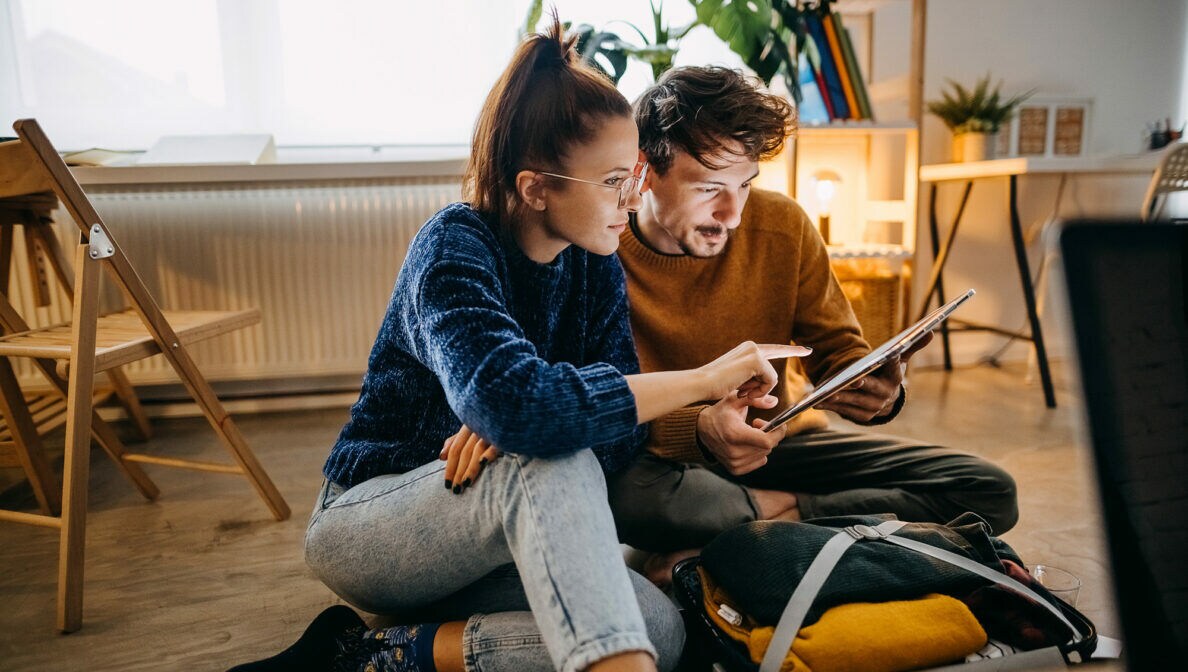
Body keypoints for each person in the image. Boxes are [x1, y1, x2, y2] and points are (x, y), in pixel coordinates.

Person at [238, 23, 808, 672]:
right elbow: (520, 409)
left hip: (497, 528)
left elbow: (615, 445)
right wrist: (701, 381)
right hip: (374, 520)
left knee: (660, 629)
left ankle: (372, 653)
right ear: (538, 187)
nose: (632, 198)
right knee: (549, 458)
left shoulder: (595, 266)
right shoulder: (453, 247)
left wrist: (528, 418)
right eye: (614, 180)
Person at [607, 66, 1019, 583]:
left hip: (779, 444)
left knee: (988, 488)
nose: (732, 214)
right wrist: (700, 429)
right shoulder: (600, 249)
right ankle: (795, 530)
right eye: (710, 187)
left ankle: (775, 519)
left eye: (745, 185)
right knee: (618, 492)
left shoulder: (782, 226)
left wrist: (873, 388)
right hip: (665, 460)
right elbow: (601, 406)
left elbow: (837, 349)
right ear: (644, 171)